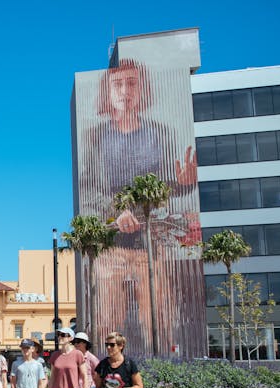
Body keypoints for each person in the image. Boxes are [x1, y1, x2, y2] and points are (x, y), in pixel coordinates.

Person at [78, 58, 202, 354]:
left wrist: (183, 183)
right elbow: (88, 187)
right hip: (111, 246)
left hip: (150, 244)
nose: (125, 91)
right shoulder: (93, 136)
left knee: (158, 316)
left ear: (142, 88)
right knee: (108, 317)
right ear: (106, 93)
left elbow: (163, 190)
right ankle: (107, 370)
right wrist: (114, 212)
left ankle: (162, 369)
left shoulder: (161, 133)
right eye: (117, 85)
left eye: (132, 83)